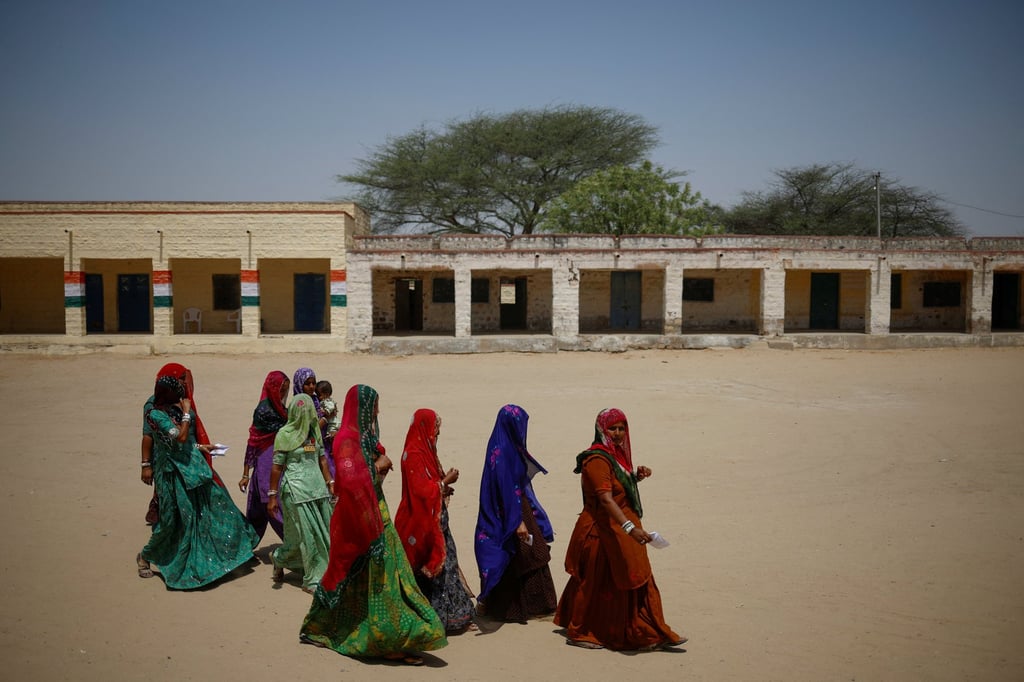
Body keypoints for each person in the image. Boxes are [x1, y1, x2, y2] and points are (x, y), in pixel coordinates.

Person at [300, 385, 447, 666]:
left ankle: (380, 634)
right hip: (359, 522)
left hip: (377, 516)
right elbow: (352, 484)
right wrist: (377, 466)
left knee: (387, 578)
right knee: (375, 581)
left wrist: (377, 462)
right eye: (374, 406)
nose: (377, 412)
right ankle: (385, 641)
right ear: (363, 408)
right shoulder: (345, 441)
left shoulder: (362, 439)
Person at [554, 408, 686, 651]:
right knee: (594, 579)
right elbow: (604, 498)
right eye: (612, 429)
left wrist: (635, 478)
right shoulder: (596, 459)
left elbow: (615, 487)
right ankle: (580, 631)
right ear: (601, 430)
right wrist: (629, 528)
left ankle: (645, 627)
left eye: (621, 428)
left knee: (624, 574)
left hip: (618, 528)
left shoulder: (615, 456)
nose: (617, 434)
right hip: (602, 531)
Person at [137, 376, 258, 589]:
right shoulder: (155, 414)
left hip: (192, 471)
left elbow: (185, 444)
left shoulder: (172, 410)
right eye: (178, 394)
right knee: (171, 522)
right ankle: (145, 556)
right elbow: (179, 438)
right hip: (172, 475)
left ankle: (216, 560)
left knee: (215, 509)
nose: (182, 398)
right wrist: (185, 412)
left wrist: (202, 448)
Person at [394, 409, 476, 633]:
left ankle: (455, 616)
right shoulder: (413, 454)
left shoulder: (424, 451)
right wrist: (444, 482)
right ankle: (435, 618)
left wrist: (443, 486)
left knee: (446, 564)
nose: (435, 437)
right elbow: (420, 492)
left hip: (435, 520)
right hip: (419, 524)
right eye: (434, 433)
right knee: (430, 569)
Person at [474, 404, 557, 622]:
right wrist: (517, 521)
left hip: (517, 507)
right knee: (529, 554)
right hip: (510, 511)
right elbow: (504, 489)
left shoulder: (506, 446)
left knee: (527, 554)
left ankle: (532, 606)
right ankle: (519, 608)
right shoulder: (501, 453)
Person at [266, 392, 335, 593]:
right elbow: (277, 467)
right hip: (295, 492)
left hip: (317, 491)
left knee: (324, 535)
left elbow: (322, 458)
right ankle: (313, 577)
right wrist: (272, 496)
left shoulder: (314, 431)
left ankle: (280, 558)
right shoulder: (284, 435)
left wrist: (329, 481)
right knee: (306, 537)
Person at [140, 362, 223, 524]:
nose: (185, 382)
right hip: (169, 459)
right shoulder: (155, 407)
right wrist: (146, 465)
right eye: (181, 378)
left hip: (190, 455)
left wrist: (200, 446)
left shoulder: (182, 399)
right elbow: (148, 436)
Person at [239, 371, 289, 542]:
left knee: (257, 506)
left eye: (286, 391)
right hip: (266, 465)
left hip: (278, 461)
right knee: (272, 506)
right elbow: (253, 441)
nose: (283, 395)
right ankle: (293, 544)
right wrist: (246, 474)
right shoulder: (264, 411)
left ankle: (247, 544)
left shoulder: (282, 409)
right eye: (281, 391)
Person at [316, 380, 340, 478]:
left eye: (319, 395)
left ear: (326, 394)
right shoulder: (321, 401)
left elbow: (330, 409)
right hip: (331, 424)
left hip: (333, 424)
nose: (318, 397)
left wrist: (324, 413)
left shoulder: (327, 401)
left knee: (331, 436)